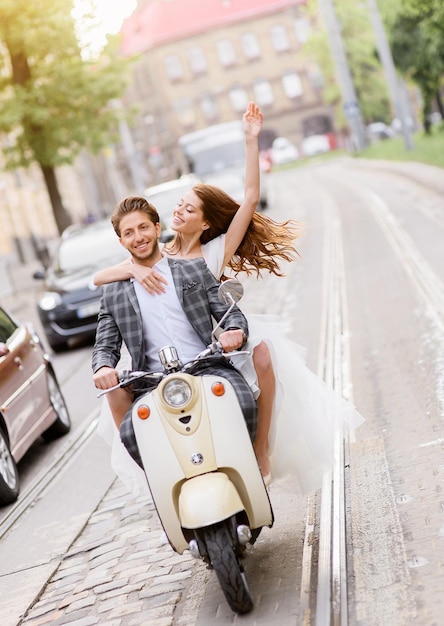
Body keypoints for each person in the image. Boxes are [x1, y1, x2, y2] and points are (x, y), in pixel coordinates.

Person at [94, 102, 299, 482]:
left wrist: (250, 141)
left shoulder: (211, 252)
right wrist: (135, 270)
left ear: (205, 222)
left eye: (189, 210)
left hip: (215, 336)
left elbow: (250, 196)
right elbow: (101, 279)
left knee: (264, 356)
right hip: (169, 362)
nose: (180, 212)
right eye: (179, 205)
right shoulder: (161, 250)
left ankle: (259, 447)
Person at [92, 196, 257, 468]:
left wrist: (234, 330)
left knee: (243, 402)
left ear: (158, 229)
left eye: (143, 228)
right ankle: (168, 482)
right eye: (129, 233)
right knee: (132, 434)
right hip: (152, 382)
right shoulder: (114, 291)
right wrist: (102, 368)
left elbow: (230, 312)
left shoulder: (192, 268)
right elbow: (105, 346)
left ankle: (243, 466)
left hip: (207, 366)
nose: (138, 237)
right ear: (122, 242)